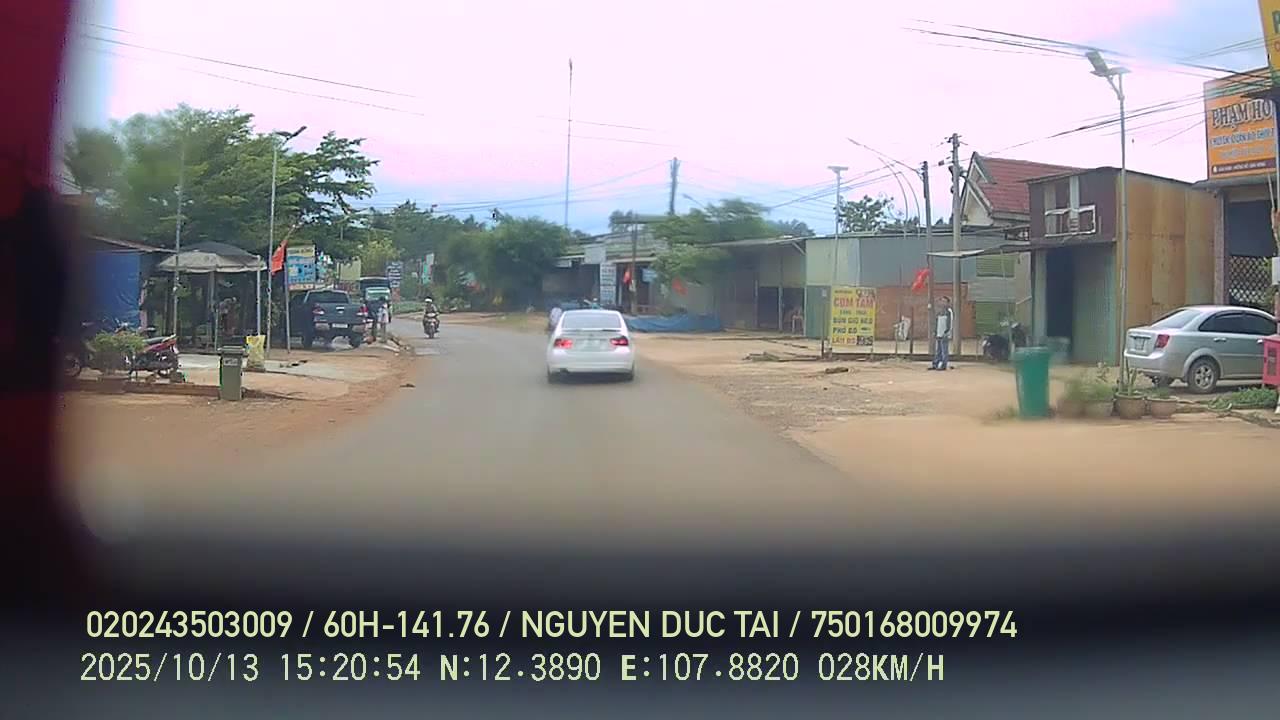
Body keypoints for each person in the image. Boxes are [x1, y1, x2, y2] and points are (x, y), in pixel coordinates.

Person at [931, 296, 955, 371]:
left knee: (944, 350)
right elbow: (936, 322)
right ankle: (935, 364)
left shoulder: (949, 312)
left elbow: (950, 322)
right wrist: (935, 331)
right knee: (938, 350)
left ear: (948, 303)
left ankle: (943, 365)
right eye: (942, 301)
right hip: (939, 333)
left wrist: (947, 332)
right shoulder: (939, 311)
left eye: (944, 301)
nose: (943, 303)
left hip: (944, 334)